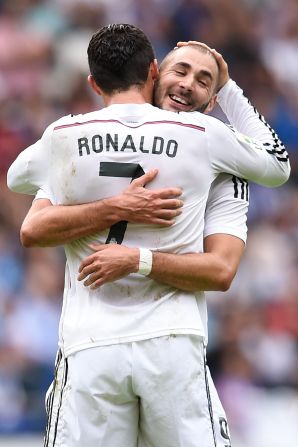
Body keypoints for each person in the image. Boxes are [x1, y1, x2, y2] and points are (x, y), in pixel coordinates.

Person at [7, 24, 290, 447]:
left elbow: (17, 180)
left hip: (104, 347)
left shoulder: (68, 138)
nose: (188, 85)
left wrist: (135, 256)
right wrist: (115, 207)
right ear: (155, 72)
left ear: (213, 100)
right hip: (160, 346)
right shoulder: (209, 140)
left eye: (205, 80)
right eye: (182, 71)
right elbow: (278, 163)